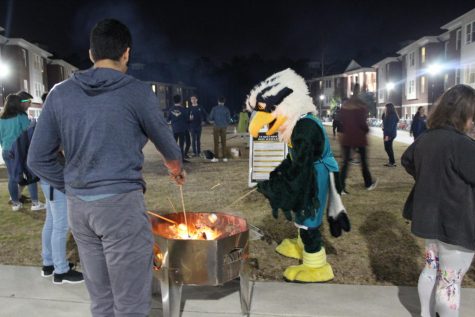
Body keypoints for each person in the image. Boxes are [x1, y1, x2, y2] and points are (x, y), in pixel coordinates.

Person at [28, 19, 184, 317]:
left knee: (101, 301)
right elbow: (168, 145)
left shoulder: (60, 93)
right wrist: (175, 168)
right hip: (120, 207)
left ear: (90, 54)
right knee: (131, 304)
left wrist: (72, 185)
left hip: (80, 211)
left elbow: (37, 158)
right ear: (126, 54)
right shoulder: (136, 92)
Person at [246, 68, 350, 283]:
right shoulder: (296, 124)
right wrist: (274, 175)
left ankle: (316, 264)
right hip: (310, 169)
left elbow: (300, 167)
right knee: (301, 215)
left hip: (316, 175)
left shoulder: (305, 127)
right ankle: (301, 244)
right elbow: (294, 159)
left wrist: (274, 187)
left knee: (308, 216)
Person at [401, 84, 475, 317]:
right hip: (456, 223)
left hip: (429, 220)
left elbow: (407, 160)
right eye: (473, 116)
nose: (473, 122)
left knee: (431, 269)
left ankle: (425, 314)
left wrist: (427, 179)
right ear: (464, 114)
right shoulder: (462, 144)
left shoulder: (426, 139)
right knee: (450, 281)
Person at [38, 91, 83, 284]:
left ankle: (48, 263)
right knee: (61, 225)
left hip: (47, 179)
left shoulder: (46, 119)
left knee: (51, 222)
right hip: (55, 179)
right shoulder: (54, 121)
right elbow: (57, 148)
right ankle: (61, 271)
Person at [0, 92, 45, 211]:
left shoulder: (1, 119)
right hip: (20, 149)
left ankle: (16, 204)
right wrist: (34, 123)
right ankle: (35, 203)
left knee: (12, 177)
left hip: (6, 150)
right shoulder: (21, 116)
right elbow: (28, 132)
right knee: (30, 174)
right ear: (17, 103)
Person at [339, 83, 377, 193]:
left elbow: (342, 121)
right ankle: (368, 183)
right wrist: (367, 130)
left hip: (347, 137)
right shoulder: (361, 106)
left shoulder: (345, 105)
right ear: (359, 91)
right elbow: (362, 123)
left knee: (345, 163)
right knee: (364, 162)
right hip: (359, 137)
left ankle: (341, 187)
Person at [167, 94, 190, 163]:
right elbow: (187, 119)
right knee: (181, 145)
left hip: (174, 129)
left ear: (173, 101)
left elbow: (168, 120)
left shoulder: (171, 109)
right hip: (182, 129)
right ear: (180, 100)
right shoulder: (183, 109)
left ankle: (172, 159)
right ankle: (181, 159)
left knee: (173, 145)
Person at [209, 96, 231, 162]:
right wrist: (226, 125)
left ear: (218, 101)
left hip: (216, 127)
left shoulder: (214, 108)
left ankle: (216, 157)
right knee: (224, 142)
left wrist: (212, 121)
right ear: (224, 102)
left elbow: (210, 118)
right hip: (224, 127)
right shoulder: (226, 109)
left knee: (216, 143)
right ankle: (224, 157)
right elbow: (229, 119)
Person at [382, 103, 399, 167]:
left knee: (387, 148)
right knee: (389, 148)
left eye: (385, 107)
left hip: (389, 134)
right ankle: (392, 161)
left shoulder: (392, 115)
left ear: (389, 108)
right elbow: (384, 120)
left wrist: (387, 135)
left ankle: (392, 162)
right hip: (389, 133)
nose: (384, 108)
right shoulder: (388, 114)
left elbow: (390, 127)